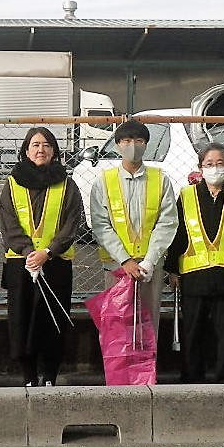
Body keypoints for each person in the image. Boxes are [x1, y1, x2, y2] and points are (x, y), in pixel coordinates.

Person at [164, 143, 224, 383]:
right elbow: (178, 235)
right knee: (193, 333)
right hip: (194, 279)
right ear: (200, 168)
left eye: (220, 164)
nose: (215, 168)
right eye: (209, 164)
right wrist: (172, 270)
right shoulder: (186, 196)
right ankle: (190, 379)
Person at [0, 127, 83, 387]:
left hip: (55, 263)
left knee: (53, 320)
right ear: (26, 151)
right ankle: (28, 376)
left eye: (46, 145)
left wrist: (47, 252)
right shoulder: (12, 184)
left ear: (54, 151)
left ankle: (49, 375)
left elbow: (71, 223)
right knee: (22, 320)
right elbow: (8, 223)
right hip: (21, 264)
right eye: (35, 145)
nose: (40, 149)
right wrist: (28, 252)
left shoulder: (67, 185)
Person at [89, 120, 178, 338]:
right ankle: (119, 372)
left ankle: (147, 371)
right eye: (127, 140)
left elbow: (167, 222)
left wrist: (150, 260)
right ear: (118, 145)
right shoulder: (104, 181)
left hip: (150, 267)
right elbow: (101, 225)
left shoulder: (161, 180)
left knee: (147, 324)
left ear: (146, 144)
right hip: (116, 266)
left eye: (139, 141)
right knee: (117, 323)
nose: (133, 145)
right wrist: (125, 260)